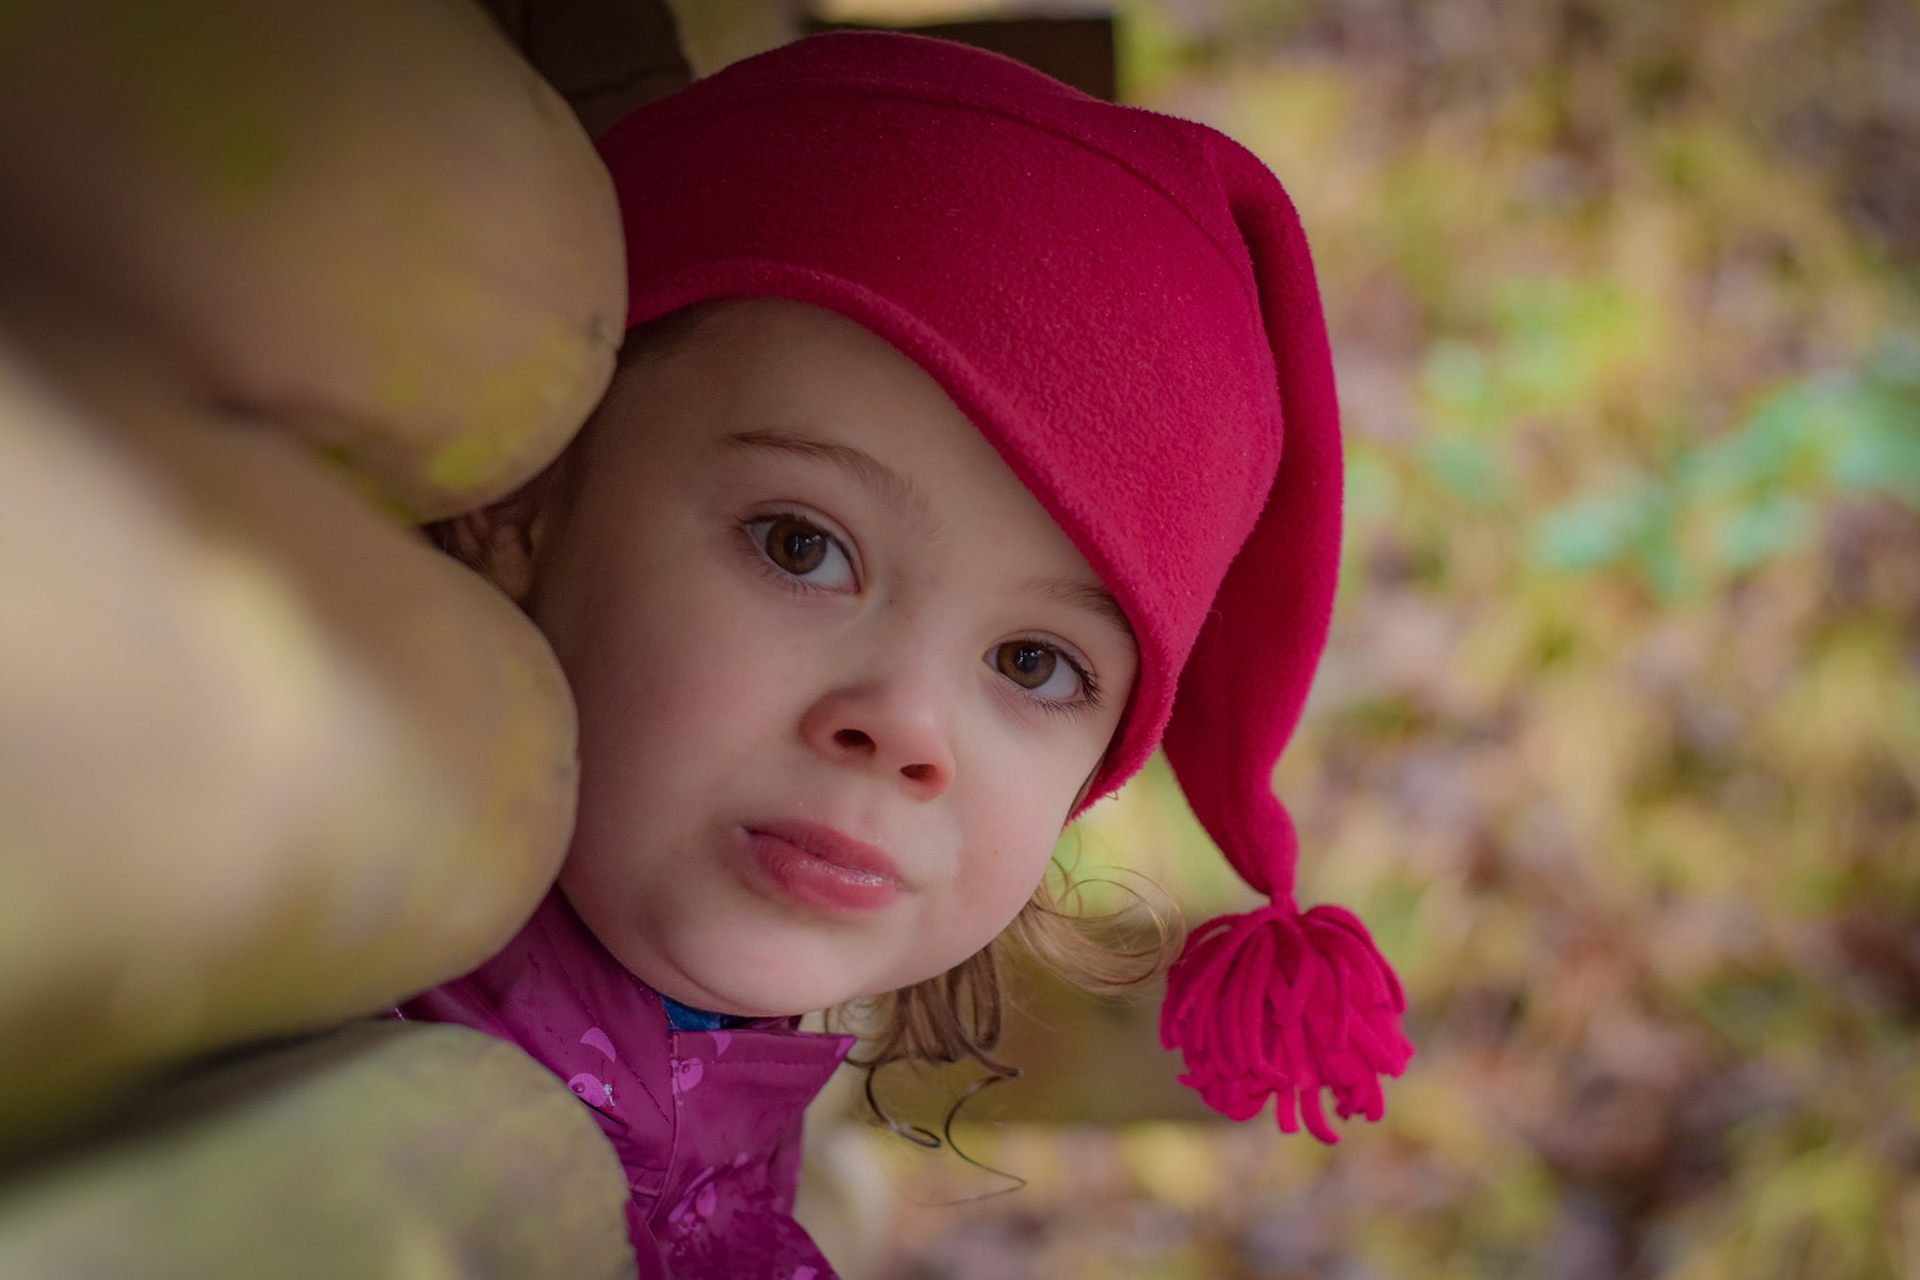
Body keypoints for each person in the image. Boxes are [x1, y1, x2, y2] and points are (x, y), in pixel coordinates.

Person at [399, 29, 1412, 1279]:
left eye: (1035, 663)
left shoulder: (702, 1125)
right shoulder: (339, 1049)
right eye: (802, 544)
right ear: (528, 498)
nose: (906, 725)